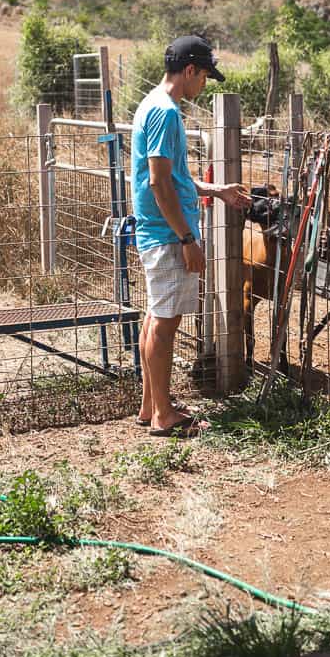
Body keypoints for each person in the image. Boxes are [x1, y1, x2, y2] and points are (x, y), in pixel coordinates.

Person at [131, 34, 254, 437]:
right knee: (166, 325)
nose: (203, 86)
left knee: (155, 318)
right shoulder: (166, 113)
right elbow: (159, 183)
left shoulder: (150, 105)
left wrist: (215, 190)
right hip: (168, 235)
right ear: (189, 71)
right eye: (203, 77)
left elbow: (175, 179)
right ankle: (165, 416)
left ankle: (152, 406)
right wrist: (187, 239)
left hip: (160, 231)